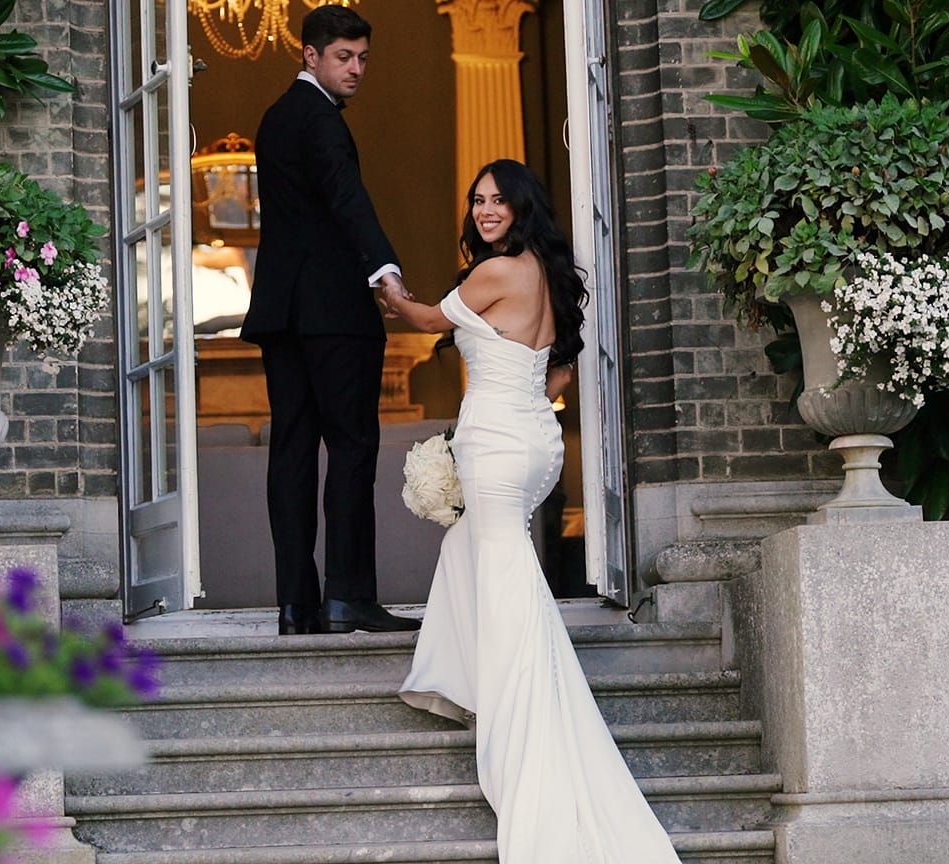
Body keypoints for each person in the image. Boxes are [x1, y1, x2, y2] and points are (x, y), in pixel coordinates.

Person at [382, 160, 683, 863]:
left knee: (509, 582)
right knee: (474, 555)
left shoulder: (497, 272)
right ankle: (472, 686)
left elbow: (424, 317)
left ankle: (528, 726)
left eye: (497, 200)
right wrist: (520, 408)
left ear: (521, 208)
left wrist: (385, 281)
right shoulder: (546, 273)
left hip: (498, 444)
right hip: (533, 442)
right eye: (478, 200)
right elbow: (562, 369)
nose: (486, 210)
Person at [242, 5, 420, 636]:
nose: (357, 69)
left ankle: (296, 605)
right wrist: (385, 271)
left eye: (363, 57)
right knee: (350, 447)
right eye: (344, 57)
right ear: (310, 55)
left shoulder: (274, 117)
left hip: (282, 311)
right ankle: (347, 597)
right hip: (334, 312)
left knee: (291, 449)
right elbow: (347, 196)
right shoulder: (319, 119)